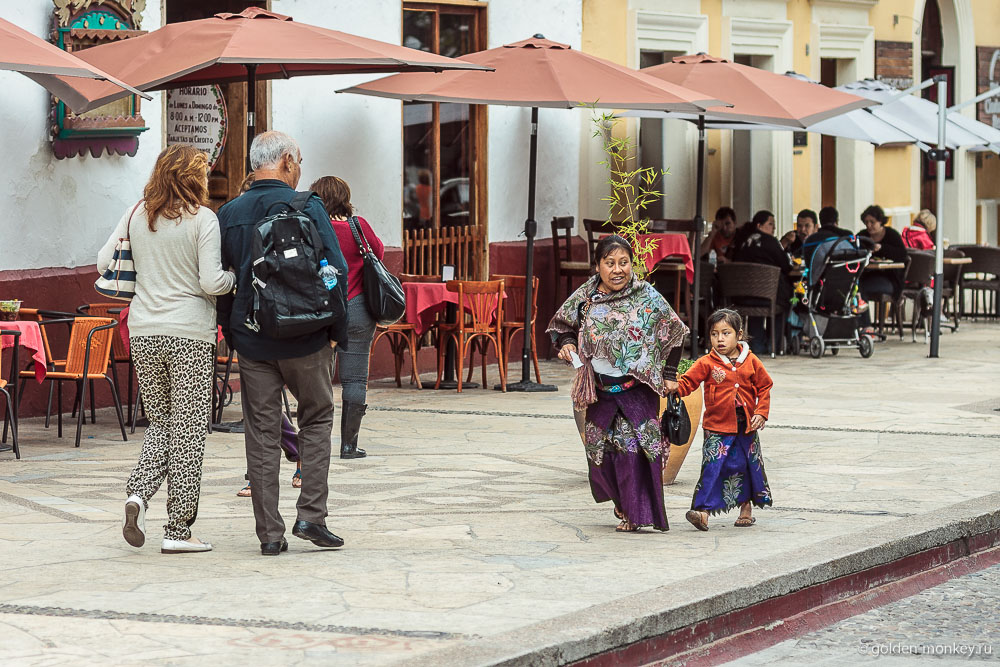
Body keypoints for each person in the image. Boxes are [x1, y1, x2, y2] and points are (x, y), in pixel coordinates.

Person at [218, 131, 349, 557]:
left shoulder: (230, 212)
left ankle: (269, 534)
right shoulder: (309, 206)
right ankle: (312, 514)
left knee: (260, 432)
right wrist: (334, 330)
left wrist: (233, 331)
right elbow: (337, 271)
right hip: (307, 338)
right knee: (317, 419)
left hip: (253, 341)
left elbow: (223, 282)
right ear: (289, 161)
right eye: (300, 160)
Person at [103, 145, 236, 554]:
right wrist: (233, 279)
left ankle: (138, 496)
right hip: (189, 334)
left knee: (162, 422)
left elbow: (102, 262)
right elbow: (211, 282)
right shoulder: (203, 219)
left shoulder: (137, 214)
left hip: (144, 330)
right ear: (195, 177)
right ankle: (178, 530)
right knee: (190, 432)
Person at [547, 235, 689, 533]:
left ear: (631, 264)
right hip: (599, 391)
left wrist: (670, 374)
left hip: (637, 390)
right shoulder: (585, 299)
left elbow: (675, 331)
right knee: (599, 453)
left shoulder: (646, 296)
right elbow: (562, 327)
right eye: (609, 263)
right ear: (597, 265)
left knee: (631, 452)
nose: (617, 270)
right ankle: (621, 500)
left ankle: (632, 513)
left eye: (623, 263)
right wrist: (567, 345)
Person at [310, 175, 385, 459]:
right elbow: (377, 253)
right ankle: (349, 445)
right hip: (357, 308)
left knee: (319, 378)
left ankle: (318, 443)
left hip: (323, 309)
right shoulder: (358, 226)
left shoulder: (315, 226)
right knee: (355, 378)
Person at [677, 309, 773, 531]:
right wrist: (672, 387)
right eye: (714, 334)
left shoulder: (751, 361)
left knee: (747, 465)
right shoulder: (706, 363)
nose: (720, 339)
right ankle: (702, 512)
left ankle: (746, 508)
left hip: (746, 426)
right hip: (717, 426)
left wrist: (761, 412)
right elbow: (687, 383)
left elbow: (765, 385)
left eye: (726, 333)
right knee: (712, 468)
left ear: (739, 335)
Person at [732, 210, 793, 354]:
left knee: (755, 301)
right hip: (768, 298)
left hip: (741, 297)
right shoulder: (770, 241)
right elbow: (786, 266)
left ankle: (757, 346)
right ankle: (775, 346)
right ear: (759, 225)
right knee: (783, 301)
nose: (774, 228)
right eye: (770, 224)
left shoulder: (742, 242)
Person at [857, 205, 907, 320]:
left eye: (872, 222)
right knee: (854, 287)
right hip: (867, 275)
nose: (869, 225)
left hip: (889, 279)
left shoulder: (891, 235)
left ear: (881, 222)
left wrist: (882, 248)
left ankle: (865, 325)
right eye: (866, 222)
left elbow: (902, 255)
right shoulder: (862, 236)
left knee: (860, 289)